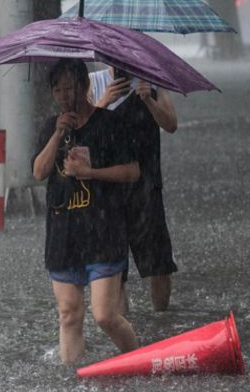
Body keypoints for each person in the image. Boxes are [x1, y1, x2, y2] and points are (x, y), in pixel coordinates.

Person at [32, 59, 140, 364]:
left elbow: (132, 171)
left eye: (71, 88)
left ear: (86, 85)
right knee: (69, 314)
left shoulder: (110, 123)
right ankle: (72, 379)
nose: (65, 96)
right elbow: (39, 172)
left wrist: (91, 173)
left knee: (105, 315)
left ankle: (143, 365)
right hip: (64, 236)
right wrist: (56, 135)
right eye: (58, 90)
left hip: (104, 232)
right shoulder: (51, 128)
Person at [90, 66, 178, 313]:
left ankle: (161, 323)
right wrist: (103, 102)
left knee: (159, 265)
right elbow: (83, 135)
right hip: (107, 192)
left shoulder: (153, 79)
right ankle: (127, 332)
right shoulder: (93, 82)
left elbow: (171, 124)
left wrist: (148, 99)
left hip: (147, 188)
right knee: (115, 271)